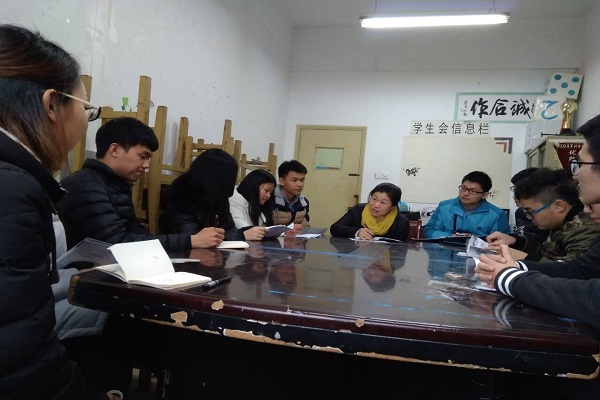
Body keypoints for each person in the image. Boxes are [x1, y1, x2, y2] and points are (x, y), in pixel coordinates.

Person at [0, 24, 120, 399]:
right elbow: (21, 363)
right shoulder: (13, 189)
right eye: (87, 109)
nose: (85, 121)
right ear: (52, 105)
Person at [476, 113, 600, 333]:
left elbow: (588, 293)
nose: (576, 175)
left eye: (579, 164)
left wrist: (509, 276)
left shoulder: (585, 228)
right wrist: (516, 264)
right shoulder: (561, 224)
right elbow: (581, 269)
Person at [59, 117, 223, 250]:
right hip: (81, 274)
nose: (146, 165)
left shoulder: (116, 184)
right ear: (114, 150)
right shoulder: (85, 185)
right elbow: (115, 244)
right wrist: (191, 240)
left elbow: (136, 233)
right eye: (143, 156)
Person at [486, 168, 600, 262]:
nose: (528, 217)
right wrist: (517, 242)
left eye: (530, 211)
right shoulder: (560, 221)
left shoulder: (585, 230)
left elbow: (571, 271)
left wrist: (521, 257)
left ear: (559, 206)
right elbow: (548, 253)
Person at [162, 148, 243, 241]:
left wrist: (239, 235)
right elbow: (193, 239)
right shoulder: (182, 195)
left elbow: (230, 230)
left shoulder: (219, 197)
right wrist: (240, 235)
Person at [423, 170, 511, 238]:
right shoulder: (444, 207)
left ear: (485, 195)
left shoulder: (497, 215)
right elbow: (429, 231)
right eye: (463, 188)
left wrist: (473, 239)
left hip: (479, 254)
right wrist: (451, 236)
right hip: (444, 252)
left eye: (473, 191)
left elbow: (501, 241)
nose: (465, 193)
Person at [330, 183, 409, 241]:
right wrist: (357, 232)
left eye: (383, 202)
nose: (376, 205)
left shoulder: (401, 222)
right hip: (355, 255)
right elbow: (335, 228)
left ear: (392, 207)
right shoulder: (358, 210)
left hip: (384, 257)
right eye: (374, 199)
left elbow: (401, 248)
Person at [229, 169, 276, 241]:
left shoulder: (257, 203)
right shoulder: (234, 202)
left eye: (271, 192)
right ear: (254, 186)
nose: (268, 196)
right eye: (266, 190)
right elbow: (245, 230)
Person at [509, 167, 549, 242]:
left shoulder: (546, 216)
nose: (515, 196)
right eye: (514, 189)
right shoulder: (519, 212)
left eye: (519, 190)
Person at [272, 159, 310, 230]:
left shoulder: (304, 203)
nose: (299, 184)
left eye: (302, 180)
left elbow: (306, 226)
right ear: (282, 181)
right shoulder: (269, 199)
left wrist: (302, 229)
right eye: (294, 180)